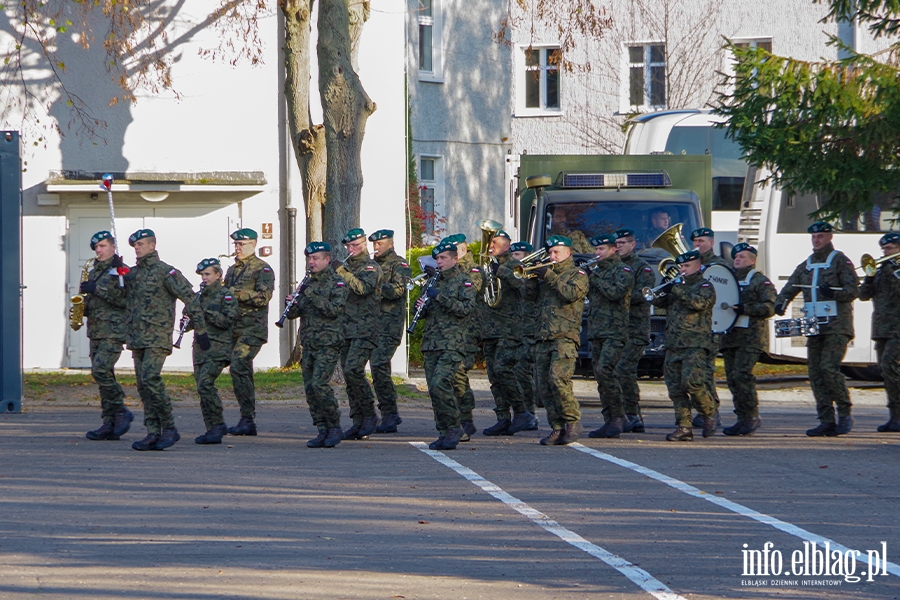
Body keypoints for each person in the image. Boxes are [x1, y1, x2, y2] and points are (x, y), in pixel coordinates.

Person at [124, 229, 209, 451]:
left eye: (142, 244)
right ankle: (153, 431)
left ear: (152, 245)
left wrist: (200, 329)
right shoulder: (132, 274)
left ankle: (169, 427)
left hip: (157, 336)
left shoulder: (166, 272)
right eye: (135, 245)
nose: (138, 248)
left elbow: (189, 297)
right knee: (143, 385)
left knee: (151, 378)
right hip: (137, 337)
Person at [775, 222, 860, 436]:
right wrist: (781, 302)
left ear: (830, 237)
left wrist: (834, 293)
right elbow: (791, 286)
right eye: (814, 236)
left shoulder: (840, 261)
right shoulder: (807, 264)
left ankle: (845, 413)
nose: (817, 240)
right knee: (815, 372)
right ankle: (826, 420)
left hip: (836, 325)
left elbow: (853, 290)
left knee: (829, 368)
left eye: (821, 236)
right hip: (814, 324)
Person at [284, 242, 349, 448]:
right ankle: (322, 428)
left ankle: (334, 426)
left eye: (315, 259)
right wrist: (292, 303)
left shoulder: (337, 283)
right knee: (310, 389)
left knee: (319, 384)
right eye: (309, 259)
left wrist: (308, 295)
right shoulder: (308, 284)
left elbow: (333, 310)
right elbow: (296, 314)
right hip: (310, 343)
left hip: (328, 342)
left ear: (327, 260)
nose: (311, 262)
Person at [650, 250, 717, 441]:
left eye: (686, 266)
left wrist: (677, 288)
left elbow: (699, 304)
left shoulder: (704, 285)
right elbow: (658, 300)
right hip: (673, 344)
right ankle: (684, 426)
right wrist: (663, 287)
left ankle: (709, 412)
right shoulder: (676, 285)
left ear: (697, 266)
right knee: (675, 388)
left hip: (695, 344)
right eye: (681, 266)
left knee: (693, 384)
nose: (682, 270)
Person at [416, 241, 477, 450]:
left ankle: (454, 427)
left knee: (441, 383)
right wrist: (421, 305)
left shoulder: (464, 281)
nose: (439, 262)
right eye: (437, 259)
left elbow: (466, 309)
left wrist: (440, 297)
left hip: (452, 343)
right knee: (434, 388)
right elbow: (425, 312)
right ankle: (444, 431)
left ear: (454, 259)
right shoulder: (433, 281)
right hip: (432, 343)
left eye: (442, 258)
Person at [533, 235, 589, 445]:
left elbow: (571, 293)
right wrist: (531, 279)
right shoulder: (547, 275)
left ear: (568, 252)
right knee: (544, 386)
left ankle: (573, 422)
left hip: (565, 337)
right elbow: (529, 299)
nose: (552, 256)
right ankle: (556, 427)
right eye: (550, 252)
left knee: (559, 380)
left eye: (556, 252)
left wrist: (548, 275)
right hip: (543, 336)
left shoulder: (578, 274)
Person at [481, 229, 537, 435]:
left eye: (495, 241)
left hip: (509, 329)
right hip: (490, 330)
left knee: (504, 369)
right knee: (495, 377)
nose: (490, 246)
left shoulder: (515, 265)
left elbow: (525, 287)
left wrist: (500, 271)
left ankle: (523, 413)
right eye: (490, 241)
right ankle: (503, 418)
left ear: (507, 245)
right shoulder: (487, 265)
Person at [82, 231, 134, 441]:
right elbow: (94, 299)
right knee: (105, 378)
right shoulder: (94, 272)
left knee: (100, 370)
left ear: (113, 247)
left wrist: (97, 289)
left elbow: (125, 300)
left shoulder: (121, 271)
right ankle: (109, 422)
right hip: (96, 331)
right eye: (96, 247)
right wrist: (82, 306)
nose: (99, 251)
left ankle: (121, 410)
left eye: (103, 246)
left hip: (113, 331)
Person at [720, 244, 775, 436]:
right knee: (733, 379)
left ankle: (752, 416)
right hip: (730, 337)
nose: (737, 259)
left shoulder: (759, 281)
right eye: (736, 256)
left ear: (752, 260)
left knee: (743, 375)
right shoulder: (728, 279)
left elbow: (769, 307)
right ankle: (741, 418)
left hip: (750, 337)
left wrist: (746, 309)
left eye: (742, 257)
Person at [224, 228, 275, 437]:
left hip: (252, 327)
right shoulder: (232, 270)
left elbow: (263, 297)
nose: (236, 248)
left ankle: (247, 417)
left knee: (238, 365)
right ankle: (245, 419)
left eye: (240, 245)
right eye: (235, 244)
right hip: (233, 327)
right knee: (237, 369)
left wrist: (234, 293)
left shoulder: (262, 269)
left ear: (252, 245)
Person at [333, 228, 383, 440]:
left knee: (354, 369)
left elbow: (362, 288)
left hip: (365, 328)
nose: (351, 250)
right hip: (346, 329)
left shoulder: (371, 267)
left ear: (364, 245)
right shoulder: (344, 268)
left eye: (356, 245)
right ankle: (358, 419)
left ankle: (370, 414)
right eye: (349, 247)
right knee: (348, 374)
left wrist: (342, 273)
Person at [585, 233, 634, 438]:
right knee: (600, 375)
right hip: (597, 331)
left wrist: (594, 277)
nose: (597, 253)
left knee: (606, 370)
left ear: (613, 249)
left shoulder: (623, 270)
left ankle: (618, 416)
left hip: (615, 331)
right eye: (596, 250)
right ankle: (610, 420)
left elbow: (615, 293)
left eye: (601, 249)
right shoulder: (598, 271)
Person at [189, 258, 238, 445]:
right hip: (200, 349)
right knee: (202, 389)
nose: (204, 278)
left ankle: (217, 424)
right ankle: (211, 428)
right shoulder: (198, 296)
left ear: (218, 275)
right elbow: (191, 323)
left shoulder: (226, 295)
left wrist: (205, 312)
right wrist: (189, 317)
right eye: (202, 275)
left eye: (207, 274)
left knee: (205, 384)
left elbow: (228, 321)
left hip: (217, 348)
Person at [368, 229, 412, 434]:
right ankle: (379, 414)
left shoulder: (399, 264)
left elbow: (399, 290)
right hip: (371, 325)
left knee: (378, 364)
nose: (376, 248)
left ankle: (389, 413)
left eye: (380, 244)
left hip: (389, 325)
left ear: (390, 244)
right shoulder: (371, 265)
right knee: (376, 368)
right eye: (374, 244)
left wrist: (376, 284)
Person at [613, 228, 656, 433]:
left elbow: (644, 294)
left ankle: (633, 415)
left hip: (635, 328)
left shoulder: (642, 267)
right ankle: (621, 414)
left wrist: (616, 292)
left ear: (633, 244)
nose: (619, 246)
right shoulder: (613, 266)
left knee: (624, 369)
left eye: (623, 243)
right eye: (617, 243)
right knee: (613, 370)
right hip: (616, 329)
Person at [442, 233, 483, 441]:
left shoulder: (472, 271)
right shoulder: (446, 272)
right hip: (449, 333)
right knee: (454, 376)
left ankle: (465, 418)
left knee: (458, 376)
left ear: (462, 251)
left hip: (467, 331)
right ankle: (459, 419)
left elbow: (472, 293)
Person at [859, 232, 900, 432]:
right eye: (884, 249)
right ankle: (895, 416)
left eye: (889, 248)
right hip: (882, 328)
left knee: (890, 366)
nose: (885, 252)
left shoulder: (895, 269)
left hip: (898, 328)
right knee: (886, 371)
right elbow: (863, 296)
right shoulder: (880, 269)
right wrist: (869, 276)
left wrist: (893, 268)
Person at [690, 227, 726, 428]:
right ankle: (703, 411)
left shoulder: (718, 266)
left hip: (711, 325)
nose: (698, 244)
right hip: (692, 327)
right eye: (695, 241)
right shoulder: (689, 264)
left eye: (702, 241)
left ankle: (712, 411)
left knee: (705, 370)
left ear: (712, 243)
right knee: (693, 372)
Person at [510, 241, 541, 426]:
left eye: (520, 255)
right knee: (515, 372)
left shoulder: (533, 274)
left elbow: (524, 289)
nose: (517, 259)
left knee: (523, 372)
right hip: (514, 329)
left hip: (531, 330)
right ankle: (522, 414)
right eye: (514, 256)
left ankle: (529, 413)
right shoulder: (513, 271)